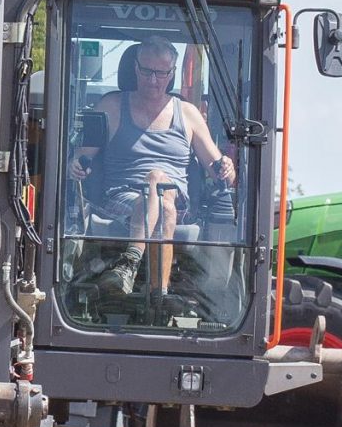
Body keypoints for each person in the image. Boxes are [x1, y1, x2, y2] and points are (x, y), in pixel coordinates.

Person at [74, 42, 236, 297]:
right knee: (162, 200)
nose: (153, 80)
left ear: (172, 74)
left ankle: (129, 263)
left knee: (158, 182)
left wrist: (226, 167)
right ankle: (159, 294)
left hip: (178, 199)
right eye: (147, 71)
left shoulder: (189, 114)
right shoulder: (111, 106)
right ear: (135, 68)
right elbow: (82, 157)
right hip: (121, 198)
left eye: (161, 73)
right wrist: (76, 166)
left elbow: (222, 174)